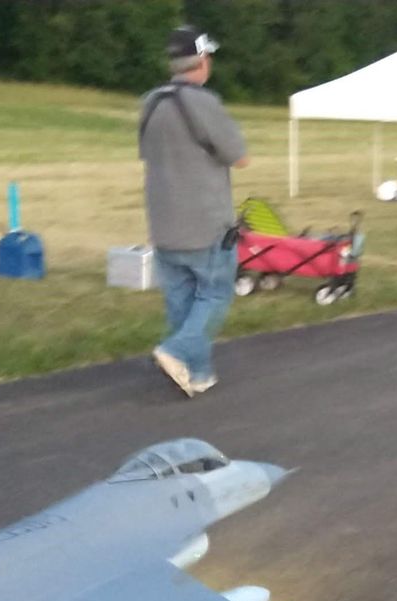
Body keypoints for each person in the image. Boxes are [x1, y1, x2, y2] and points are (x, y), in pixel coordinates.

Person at [139, 26, 248, 397]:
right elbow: (239, 157)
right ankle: (175, 350)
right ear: (201, 60)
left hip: (163, 223)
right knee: (215, 295)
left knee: (182, 303)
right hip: (205, 223)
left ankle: (198, 372)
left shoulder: (151, 103)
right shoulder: (204, 103)